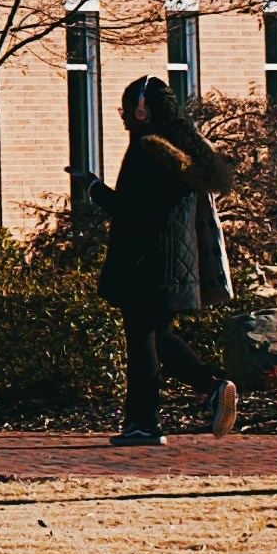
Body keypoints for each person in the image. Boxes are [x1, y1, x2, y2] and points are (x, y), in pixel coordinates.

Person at [101, 71, 234, 444]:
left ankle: (143, 424)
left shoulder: (147, 150)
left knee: (142, 341)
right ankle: (211, 385)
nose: (123, 117)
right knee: (157, 335)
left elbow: (129, 209)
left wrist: (94, 189)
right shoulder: (186, 149)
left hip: (145, 262)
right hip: (179, 265)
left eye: (126, 109)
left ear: (143, 111)